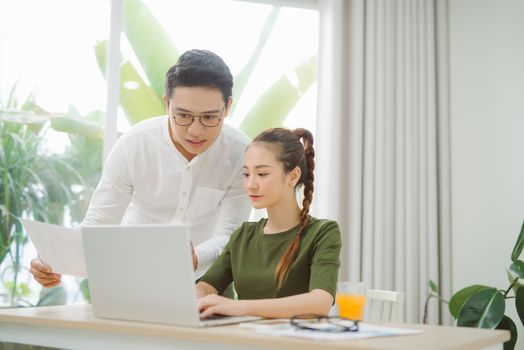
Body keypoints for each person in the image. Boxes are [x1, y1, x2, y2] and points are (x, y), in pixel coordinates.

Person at [30, 49, 252, 287]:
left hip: (206, 283)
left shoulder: (241, 154)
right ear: (167, 104)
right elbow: (98, 222)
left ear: (227, 108)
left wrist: (195, 258)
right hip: (130, 277)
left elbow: (229, 234)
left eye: (209, 118)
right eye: (184, 115)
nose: (195, 130)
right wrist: (54, 260)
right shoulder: (134, 144)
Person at [196, 128, 341, 319]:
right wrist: (197, 298)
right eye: (246, 174)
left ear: (293, 176)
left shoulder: (322, 232)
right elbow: (206, 287)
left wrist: (241, 307)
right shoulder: (244, 234)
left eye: (262, 174)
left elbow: (320, 303)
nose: (250, 185)